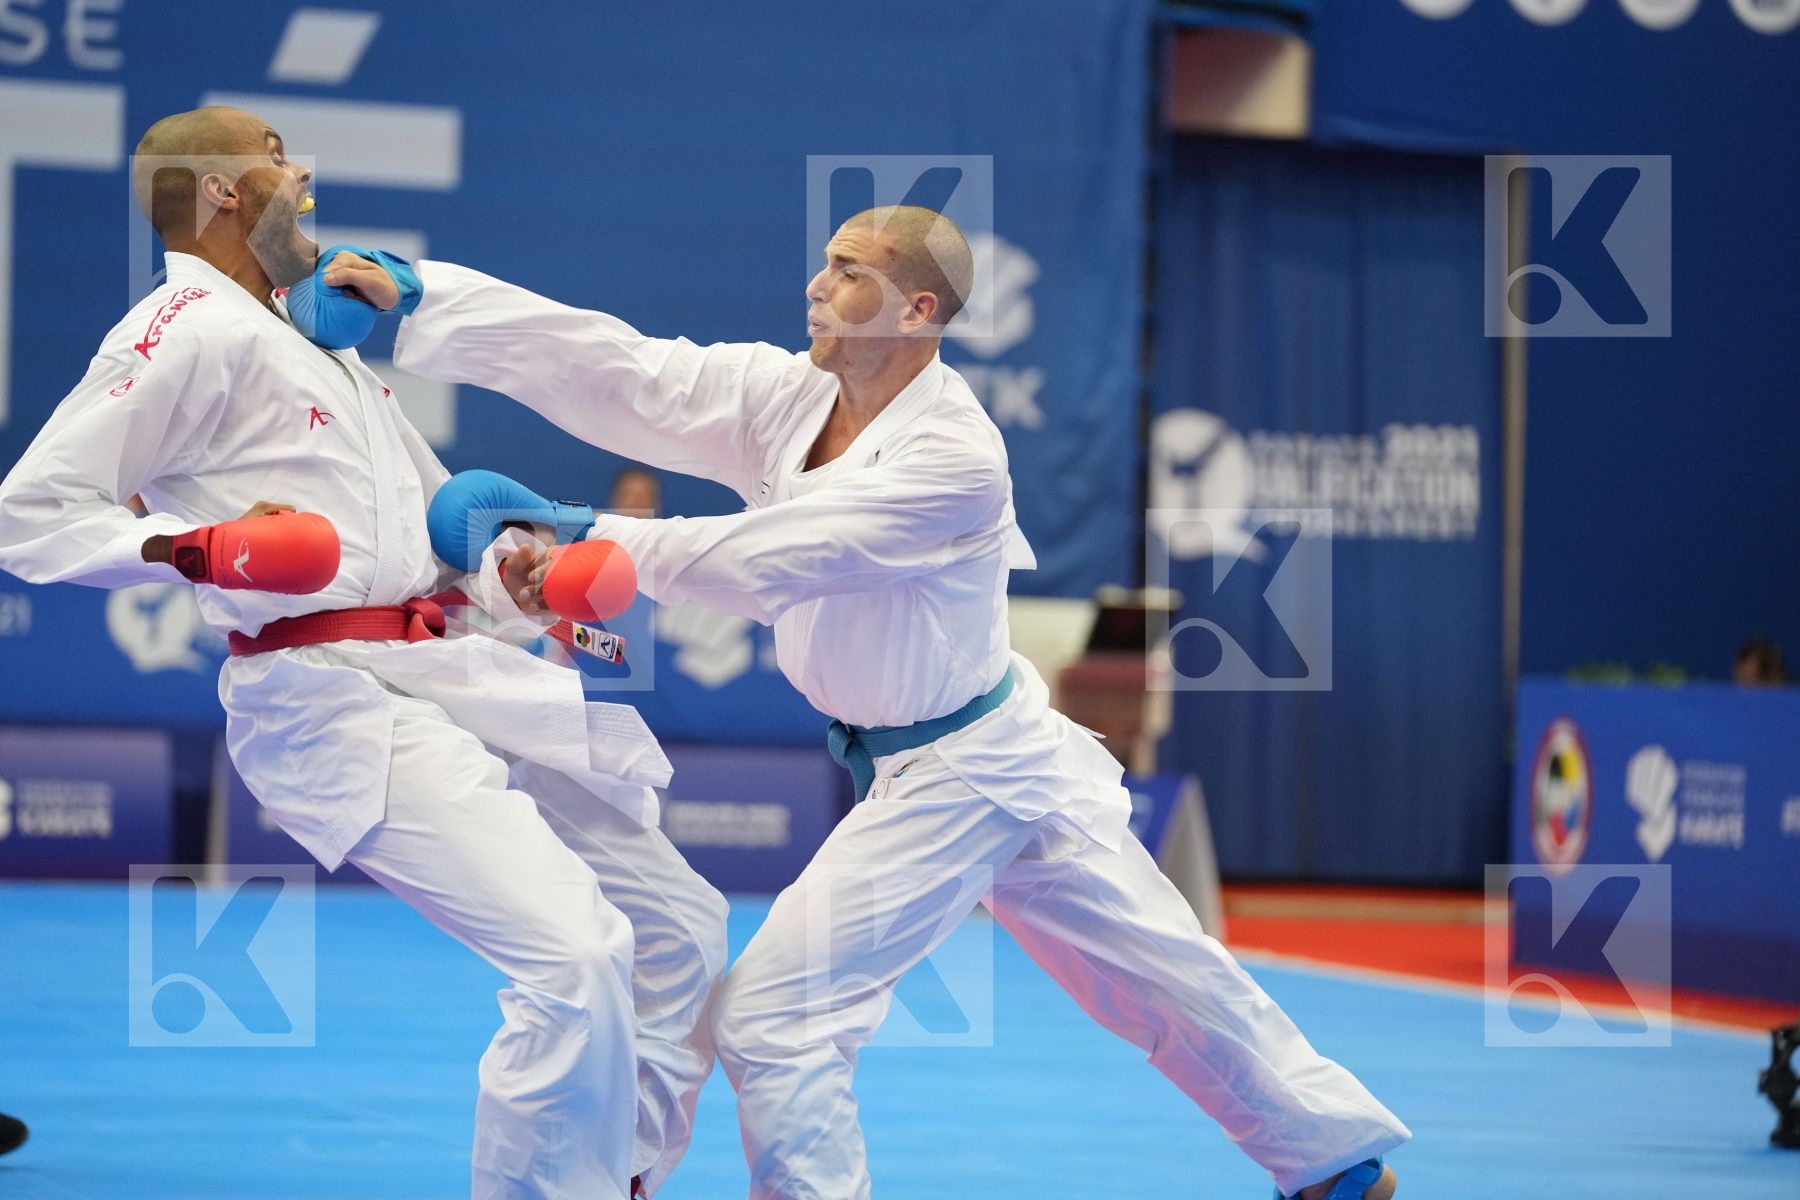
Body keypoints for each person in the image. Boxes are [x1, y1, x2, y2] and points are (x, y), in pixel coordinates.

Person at [332, 203, 1410, 1199]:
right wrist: (431, 297)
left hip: (961, 770)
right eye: (825, 263)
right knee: (1159, 973)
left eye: (848, 271)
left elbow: (778, 555)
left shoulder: (955, 458)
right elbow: (629, 373)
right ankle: (1338, 1164)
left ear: (917, 309)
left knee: (775, 1017)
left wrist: (584, 533)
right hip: (994, 750)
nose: (816, 284)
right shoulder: (790, 397)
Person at [0, 107, 725, 1200]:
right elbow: (31, 513)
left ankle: (619, 1172)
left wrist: (514, 577)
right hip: (332, 696)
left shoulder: (315, 339)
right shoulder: (179, 328)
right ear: (221, 192)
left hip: (444, 665)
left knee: (681, 927)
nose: (305, 173)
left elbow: (438, 533)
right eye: (276, 158)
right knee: (575, 956)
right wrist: (197, 546)